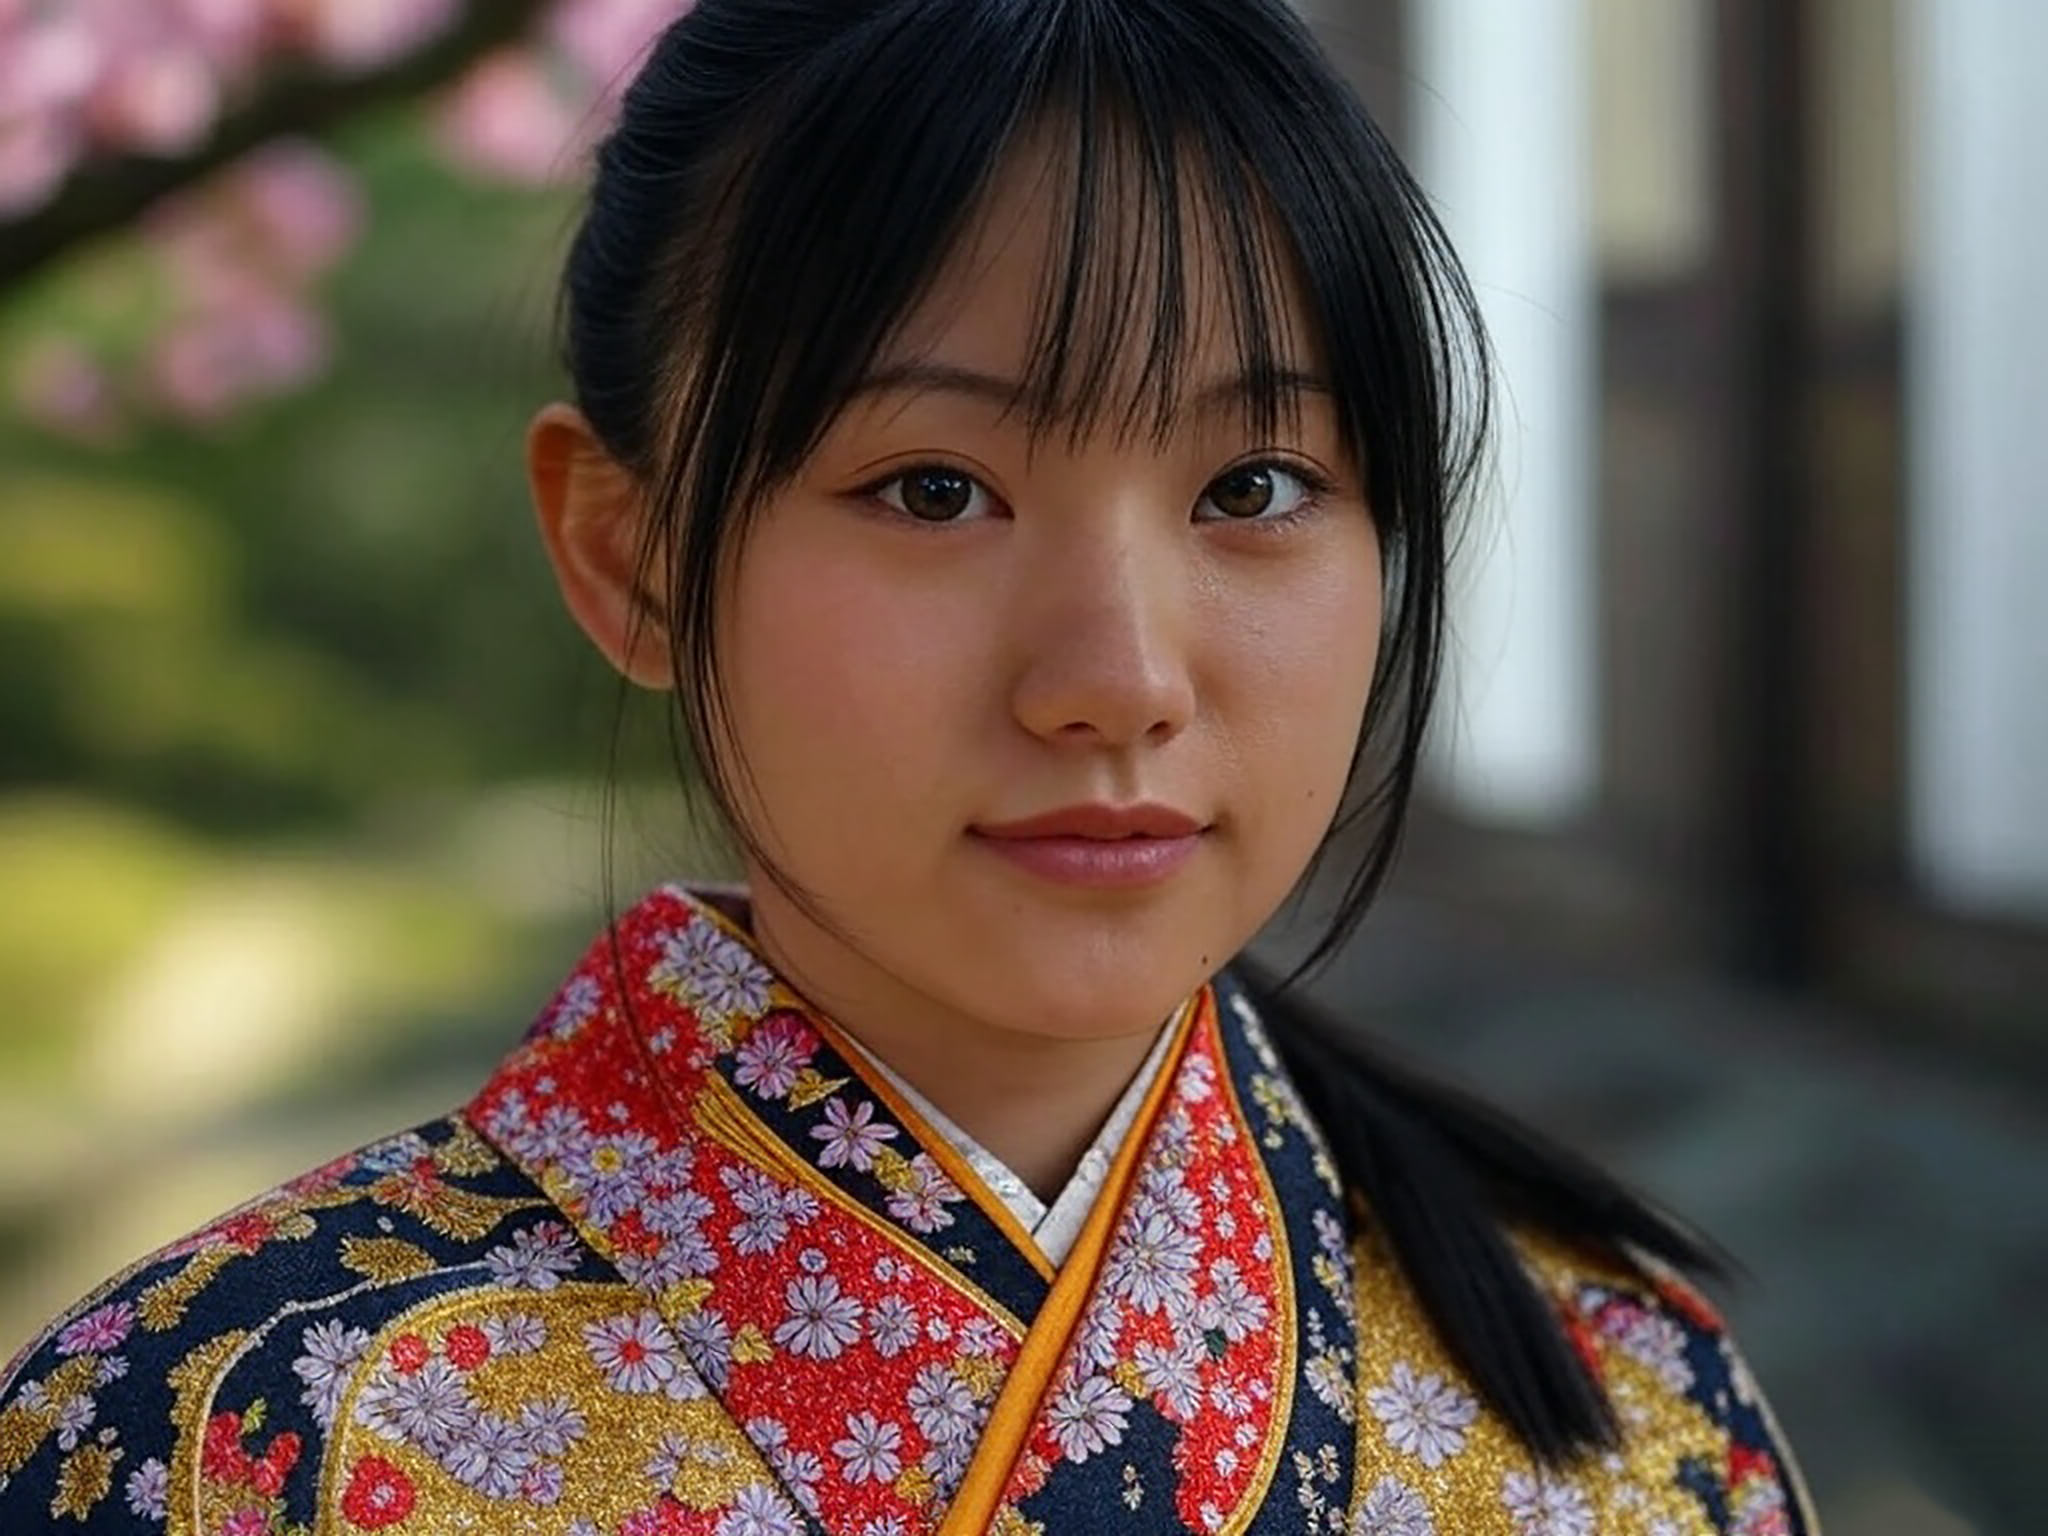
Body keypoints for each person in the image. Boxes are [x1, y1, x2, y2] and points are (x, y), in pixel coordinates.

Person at [0, 1, 1820, 1531]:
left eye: (1255, 486)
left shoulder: (1628, 1423)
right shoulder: (212, 1442)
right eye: (934, 489)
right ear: (632, 555)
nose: (1117, 683)